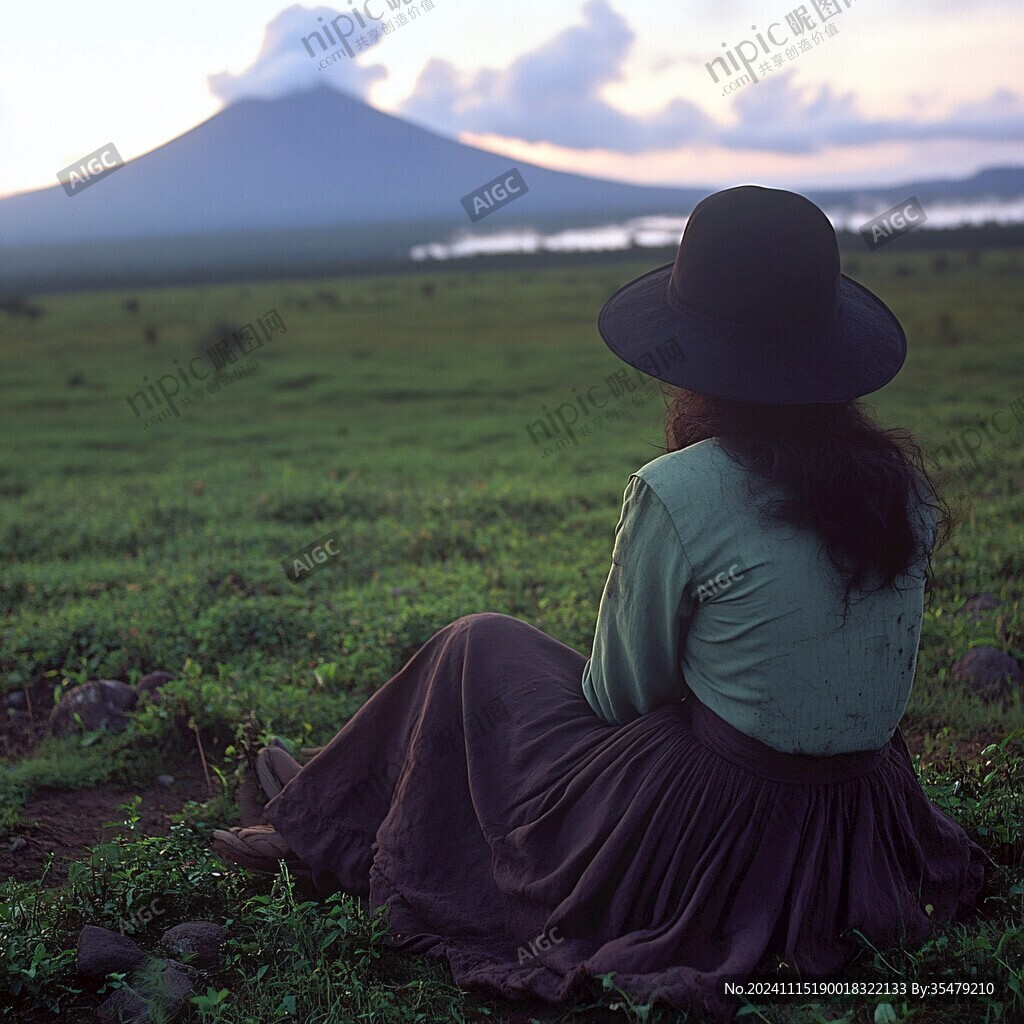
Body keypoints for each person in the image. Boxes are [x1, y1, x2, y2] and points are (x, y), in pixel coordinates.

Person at [213, 186, 989, 1022]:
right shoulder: (900, 486)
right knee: (490, 658)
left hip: (719, 819)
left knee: (477, 643)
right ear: (827, 350)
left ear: (698, 354)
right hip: (865, 819)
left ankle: (321, 825)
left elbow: (619, 698)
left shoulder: (682, 488)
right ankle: (323, 813)